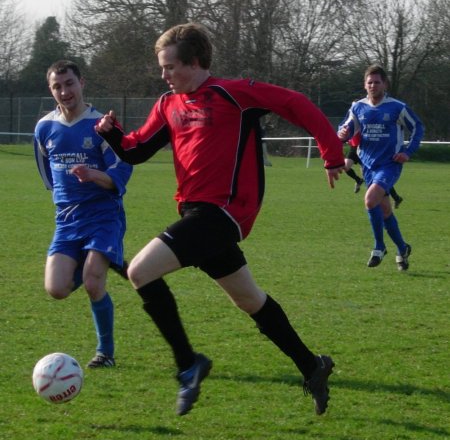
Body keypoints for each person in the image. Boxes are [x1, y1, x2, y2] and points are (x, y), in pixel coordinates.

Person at [95, 22, 345, 416]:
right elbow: (136, 151)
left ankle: (187, 364)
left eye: (171, 67)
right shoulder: (168, 104)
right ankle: (312, 365)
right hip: (194, 213)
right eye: (162, 68)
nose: (165, 75)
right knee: (250, 300)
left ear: (195, 62)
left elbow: (297, 103)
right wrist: (112, 135)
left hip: (225, 212)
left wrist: (332, 154)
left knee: (140, 271)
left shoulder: (234, 93)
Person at [34, 60, 133, 368]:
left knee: (92, 284)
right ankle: (101, 262)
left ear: (82, 83)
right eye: (57, 86)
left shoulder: (102, 126)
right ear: (51, 90)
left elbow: (122, 172)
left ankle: (105, 353)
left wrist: (93, 175)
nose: (65, 91)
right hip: (67, 221)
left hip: (104, 216)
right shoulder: (44, 128)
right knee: (57, 288)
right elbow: (48, 176)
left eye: (69, 84)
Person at [338, 64, 423, 270]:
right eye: (370, 82)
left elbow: (418, 127)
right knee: (384, 210)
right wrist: (342, 134)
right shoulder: (358, 107)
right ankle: (402, 249)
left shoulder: (396, 107)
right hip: (368, 165)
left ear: (385, 84)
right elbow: (346, 128)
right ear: (365, 85)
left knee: (370, 200)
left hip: (389, 164)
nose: (373, 85)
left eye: (377, 82)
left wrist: (407, 152)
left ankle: (379, 247)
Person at [345, 139, 404, 207]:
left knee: (377, 178)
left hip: (365, 149)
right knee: (346, 166)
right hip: (354, 147)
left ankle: (396, 198)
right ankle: (358, 180)